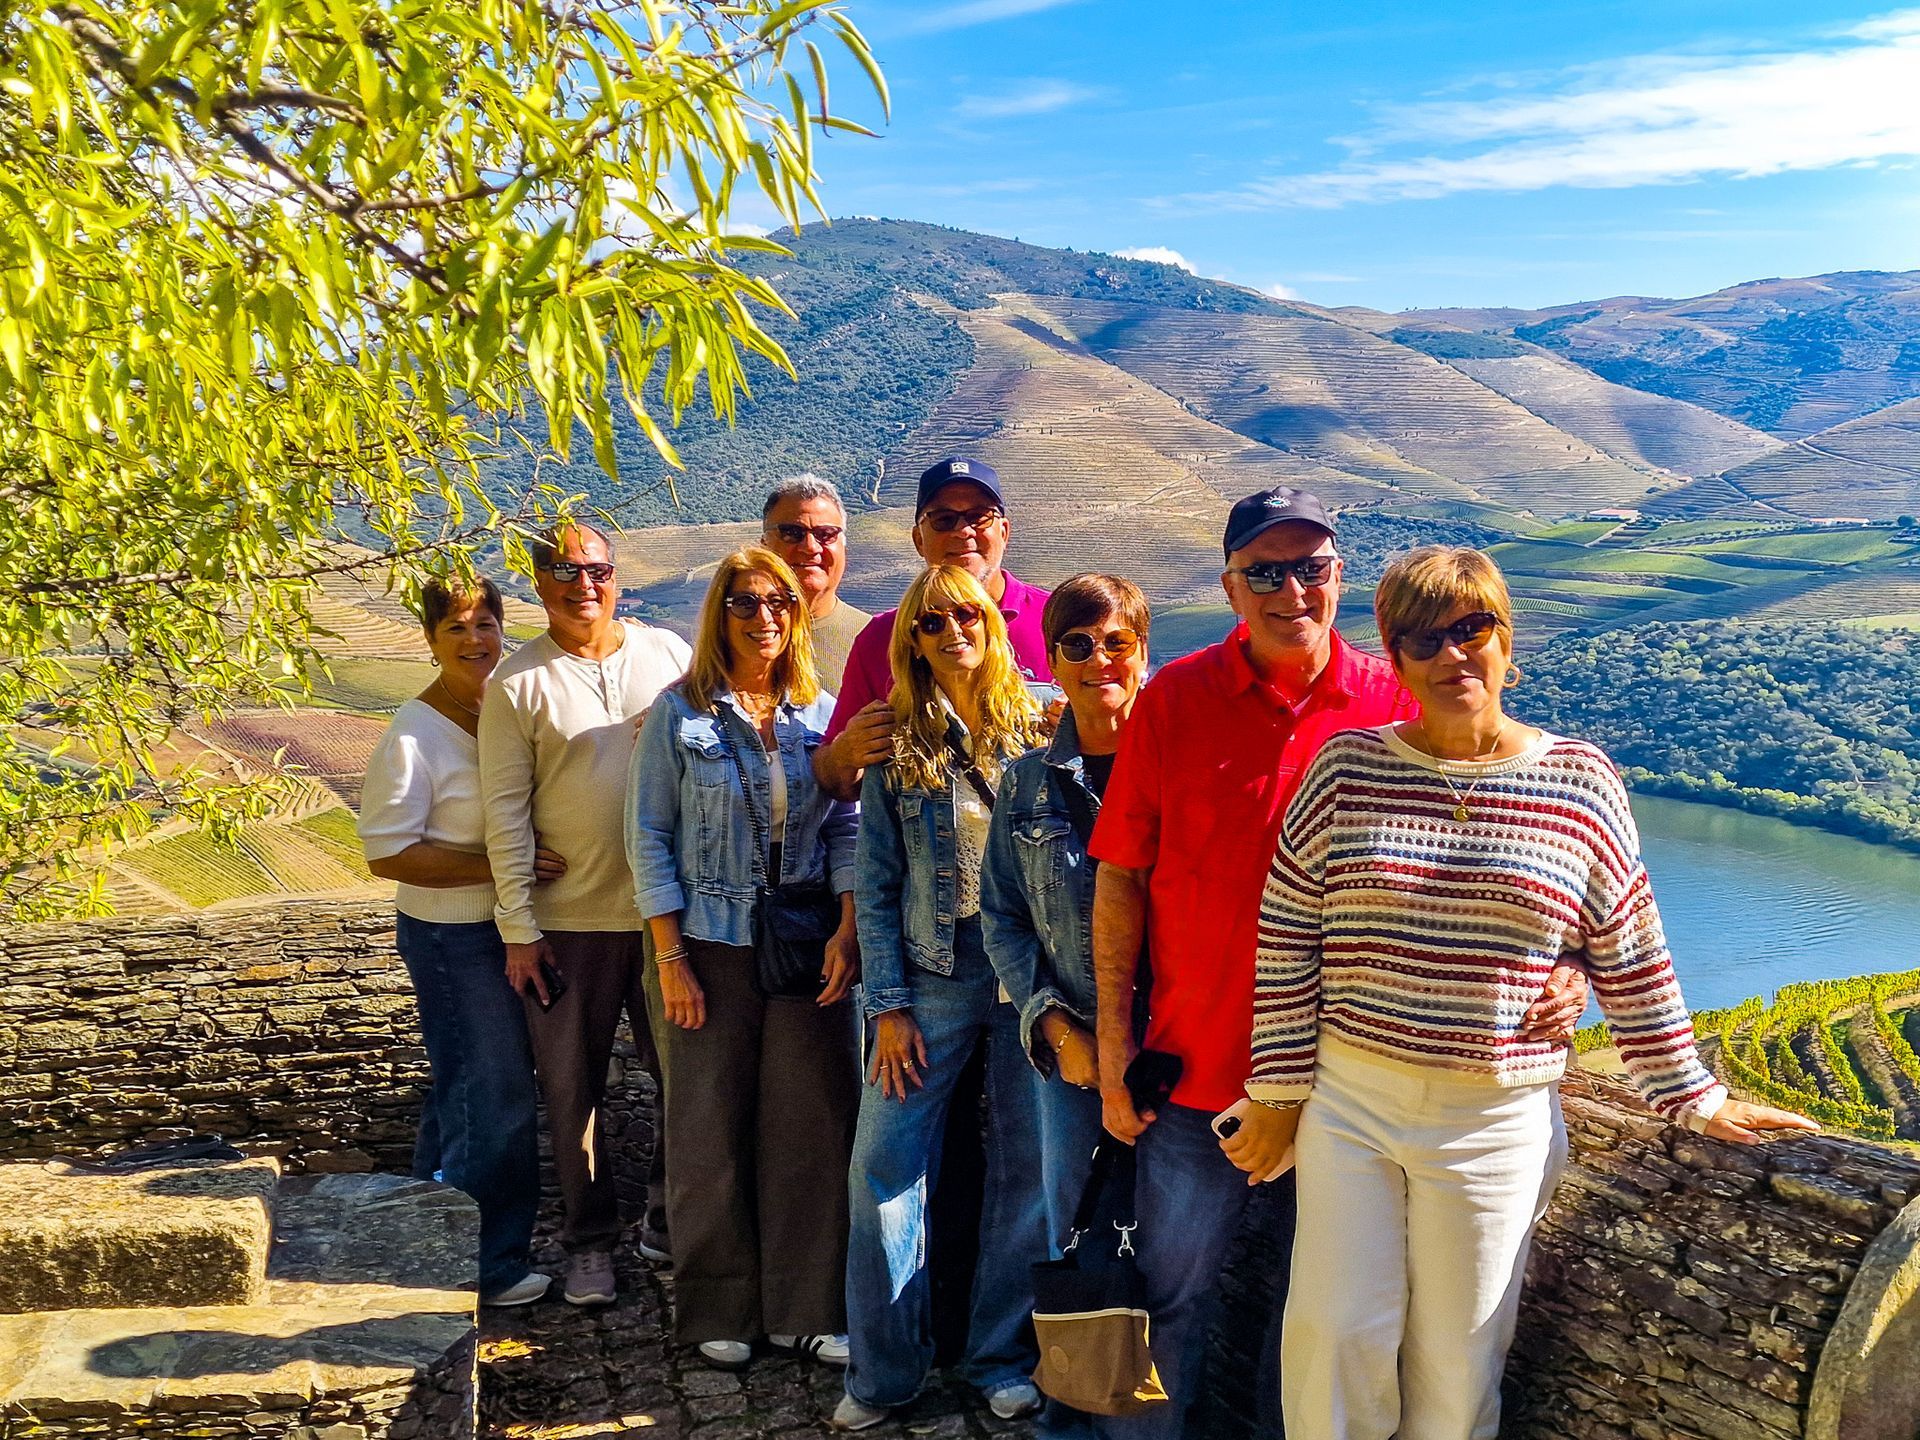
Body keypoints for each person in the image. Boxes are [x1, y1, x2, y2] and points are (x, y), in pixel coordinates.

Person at [1238, 545, 1818, 1440]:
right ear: (1395, 660)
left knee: (1459, 1356)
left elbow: (1629, 949)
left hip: (1494, 1118)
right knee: (1333, 1334)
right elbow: (1287, 938)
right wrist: (1277, 1093)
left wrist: (1693, 1096)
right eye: (1424, 639)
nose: (1452, 655)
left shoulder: (1579, 782)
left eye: (1473, 629)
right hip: (1352, 1100)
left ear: (1508, 642)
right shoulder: (1346, 769)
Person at [1087, 489, 1590, 1440]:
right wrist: (1115, 1046)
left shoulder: (1401, 691)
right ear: (1229, 585)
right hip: (1194, 1075)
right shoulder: (1173, 702)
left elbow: (1509, 852)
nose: (1291, 589)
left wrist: (1567, 962)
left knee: (1338, 1330)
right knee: (1169, 1304)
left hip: (1350, 1090)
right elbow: (1119, 884)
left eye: (1311, 567)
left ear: (1339, 577)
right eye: (1265, 571)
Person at [626, 546, 862, 1371]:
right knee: (708, 1127)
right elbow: (647, 837)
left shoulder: (820, 714)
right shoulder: (677, 715)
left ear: (796, 616)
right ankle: (718, 1305)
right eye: (745, 603)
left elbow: (844, 829)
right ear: (719, 614)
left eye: (778, 603)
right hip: (710, 949)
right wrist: (670, 961)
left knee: (811, 1127)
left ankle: (808, 1307)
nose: (763, 618)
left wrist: (846, 928)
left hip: (802, 948)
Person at [834, 565, 1051, 1432]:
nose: (954, 630)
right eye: (932, 622)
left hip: (1028, 978)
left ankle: (1001, 1356)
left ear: (992, 619)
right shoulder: (899, 743)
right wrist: (886, 1006)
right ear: (913, 640)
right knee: (884, 1169)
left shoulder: (1041, 723)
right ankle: (885, 1372)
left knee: (1028, 1173)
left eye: (968, 612)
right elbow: (878, 882)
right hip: (933, 974)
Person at [479, 521, 692, 1307]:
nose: (583, 584)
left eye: (596, 569)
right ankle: (590, 1242)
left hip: (667, 917)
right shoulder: (517, 683)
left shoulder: (668, 655)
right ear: (540, 583)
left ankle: (670, 1222)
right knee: (574, 1094)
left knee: (685, 1079)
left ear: (618, 575)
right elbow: (505, 815)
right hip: (569, 924)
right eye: (564, 570)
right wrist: (519, 930)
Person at [358, 576, 555, 1308]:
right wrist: (505, 866)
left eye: (485, 624)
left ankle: (429, 1228)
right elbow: (387, 851)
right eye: (456, 629)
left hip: (511, 922)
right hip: (451, 933)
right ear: (430, 639)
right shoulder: (415, 733)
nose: (475, 640)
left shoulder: (504, 705)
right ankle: (489, 1265)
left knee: (461, 1086)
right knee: (493, 1091)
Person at [981, 574, 1151, 1246]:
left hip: (1175, 1045)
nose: (1099, 660)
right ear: (1052, 662)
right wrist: (1053, 1028)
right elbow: (1003, 915)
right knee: (1078, 1232)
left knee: (1172, 1245)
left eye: (1117, 642)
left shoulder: (1181, 770)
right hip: (1074, 1048)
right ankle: (1081, 1357)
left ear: (1143, 653)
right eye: (1077, 645)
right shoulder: (1025, 783)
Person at [814, 457, 1052, 803]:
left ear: (1004, 531)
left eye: (979, 516)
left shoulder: (1057, 620)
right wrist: (846, 754)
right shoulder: (881, 638)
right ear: (918, 539)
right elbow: (834, 778)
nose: (963, 531)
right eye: (943, 520)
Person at [762, 474, 871, 690]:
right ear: (764, 546)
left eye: (826, 534)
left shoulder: (879, 641)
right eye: (792, 533)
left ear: (843, 546)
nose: (811, 547)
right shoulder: (737, 639)